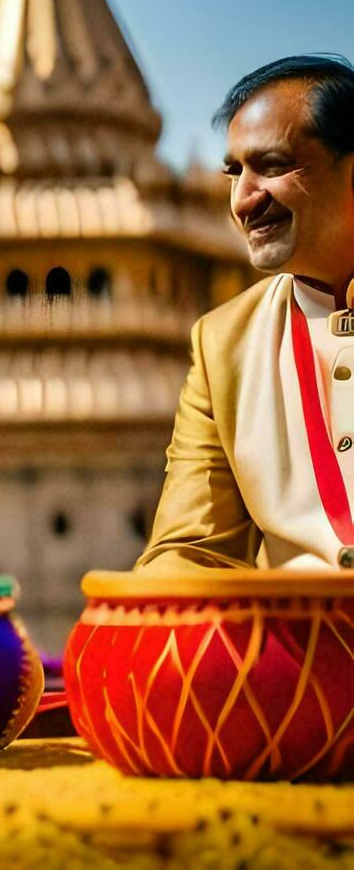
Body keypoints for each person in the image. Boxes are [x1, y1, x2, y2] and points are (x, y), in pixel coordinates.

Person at [141, 54, 354, 571]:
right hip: (298, 643)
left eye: (274, 166)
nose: (243, 200)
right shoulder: (224, 342)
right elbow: (188, 551)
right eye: (235, 172)